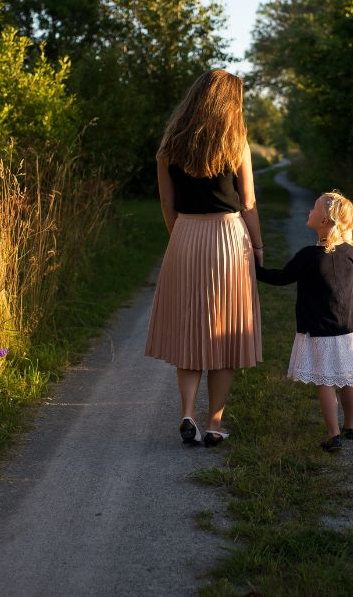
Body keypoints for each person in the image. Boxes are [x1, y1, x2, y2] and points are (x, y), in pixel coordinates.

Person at [145, 69, 264, 447]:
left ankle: (186, 414)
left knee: (190, 331)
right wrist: (258, 247)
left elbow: (167, 202)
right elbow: (247, 203)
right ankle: (214, 424)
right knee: (224, 332)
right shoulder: (236, 143)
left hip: (185, 235)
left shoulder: (169, 146)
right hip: (228, 237)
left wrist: (179, 236)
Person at [255, 191, 353, 452]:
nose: (309, 211)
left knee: (325, 382)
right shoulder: (350, 253)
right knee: (347, 378)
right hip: (348, 329)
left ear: (324, 221)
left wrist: (253, 269)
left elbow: (282, 277)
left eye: (314, 208)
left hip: (319, 330)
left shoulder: (309, 256)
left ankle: (333, 434)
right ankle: (351, 425)